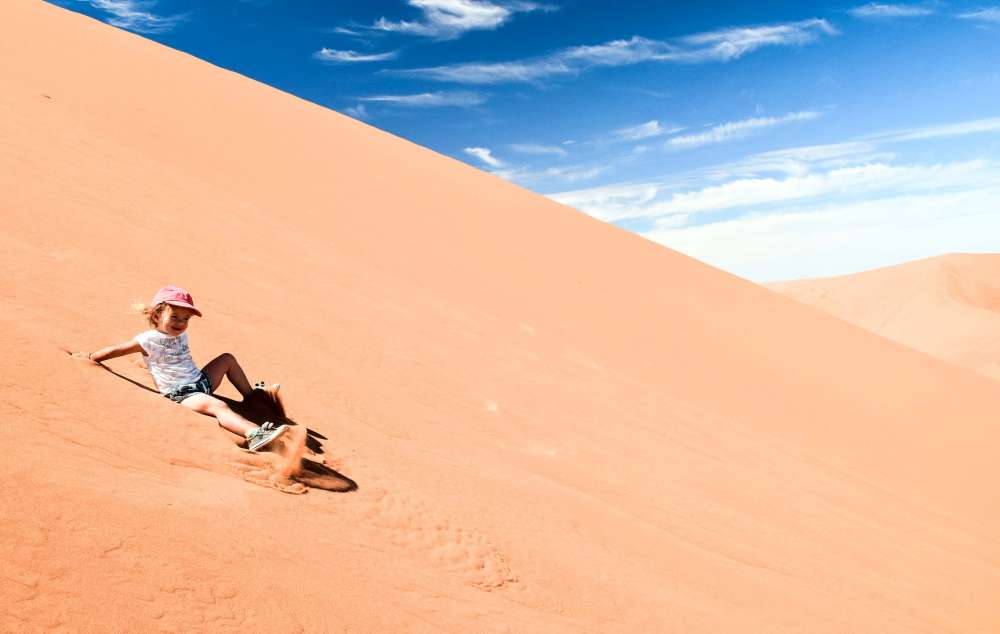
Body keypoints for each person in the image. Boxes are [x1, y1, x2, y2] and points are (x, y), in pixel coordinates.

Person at [73, 285, 287, 452]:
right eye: (174, 317)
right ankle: (254, 434)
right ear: (156, 316)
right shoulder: (147, 340)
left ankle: (253, 398)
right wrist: (91, 357)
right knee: (218, 406)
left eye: (186, 319)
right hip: (182, 394)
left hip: (200, 381)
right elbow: (118, 351)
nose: (180, 323)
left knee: (227, 359)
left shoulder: (179, 333)